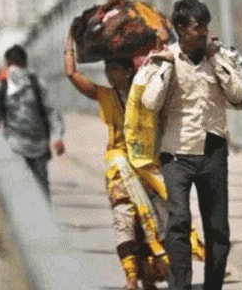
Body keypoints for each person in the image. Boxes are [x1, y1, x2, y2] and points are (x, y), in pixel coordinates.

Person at [140, 0, 242, 290]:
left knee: (217, 227)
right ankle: (180, 286)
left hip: (213, 150)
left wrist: (217, 59)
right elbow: (150, 102)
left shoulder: (219, 56)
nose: (203, 33)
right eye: (197, 27)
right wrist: (164, 67)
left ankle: (213, 285)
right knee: (178, 221)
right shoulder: (165, 59)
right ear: (180, 29)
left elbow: (237, 93)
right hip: (177, 152)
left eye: (205, 26)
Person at [64, 38, 169, 290]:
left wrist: (162, 44)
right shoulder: (104, 95)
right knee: (124, 220)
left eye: (114, 69)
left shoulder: (147, 94)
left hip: (149, 169)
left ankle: (148, 276)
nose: (110, 75)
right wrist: (69, 47)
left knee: (152, 222)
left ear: (128, 70)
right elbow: (71, 73)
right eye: (107, 70)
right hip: (119, 171)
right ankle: (130, 277)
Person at [0, 44, 65, 200]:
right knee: (17, 187)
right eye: (11, 65)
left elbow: (51, 111)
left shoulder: (37, 85)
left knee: (41, 187)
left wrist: (57, 137)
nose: (15, 69)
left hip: (38, 145)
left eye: (17, 64)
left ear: (25, 64)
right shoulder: (2, 87)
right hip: (14, 144)